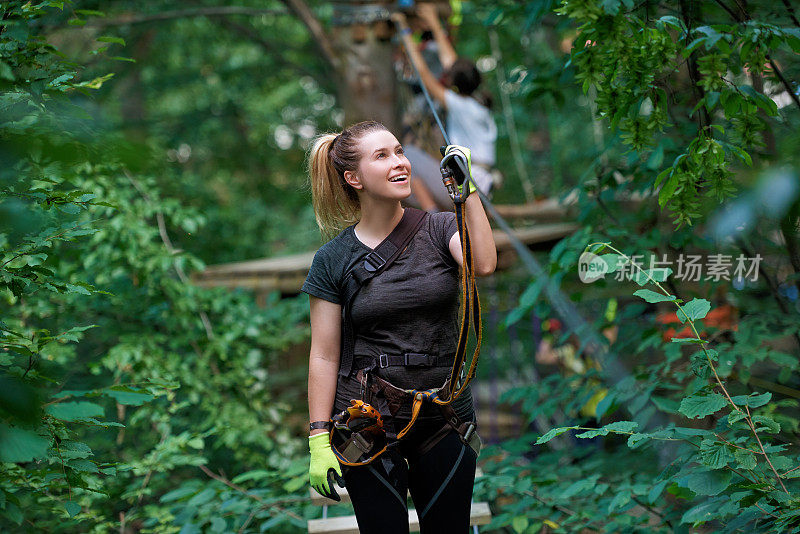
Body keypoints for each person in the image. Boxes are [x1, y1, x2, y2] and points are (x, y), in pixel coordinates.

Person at [302, 120, 496, 532]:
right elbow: (323, 353)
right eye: (382, 156)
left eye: (399, 152)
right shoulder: (332, 260)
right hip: (366, 418)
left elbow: (483, 262)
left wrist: (467, 194)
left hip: (443, 415)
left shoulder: (442, 228)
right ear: (353, 178)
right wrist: (318, 436)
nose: (399, 162)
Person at [393, 5, 498, 212]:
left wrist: (404, 29)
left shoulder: (460, 105)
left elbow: (423, 72)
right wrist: (433, 21)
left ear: (454, 85)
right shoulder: (476, 101)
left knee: (407, 156)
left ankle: (433, 217)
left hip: (471, 183)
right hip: (481, 181)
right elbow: (451, 63)